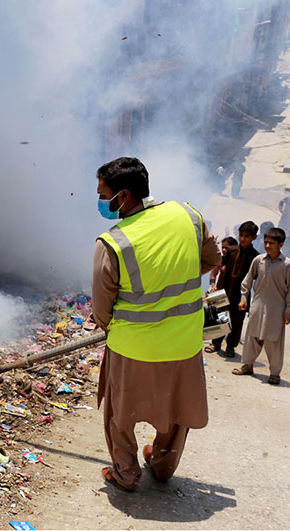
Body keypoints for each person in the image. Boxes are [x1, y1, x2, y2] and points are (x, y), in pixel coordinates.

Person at [92, 157, 220, 492]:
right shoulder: (189, 216)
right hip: (184, 343)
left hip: (131, 347)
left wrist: (116, 324)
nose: (101, 202)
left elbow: (102, 309)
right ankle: (162, 466)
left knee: (119, 415)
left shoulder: (114, 242)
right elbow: (212, 259)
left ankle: (126, 474)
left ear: (124, 195)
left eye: (103, 194)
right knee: (177, 409)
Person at [232, 227, 290, 385]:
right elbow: (246, 282)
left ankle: (274, 373)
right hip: (258, 305)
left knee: (274, 341)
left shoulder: (288, 265)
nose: (267, 246)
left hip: (277, 309)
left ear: (280, 245)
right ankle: (247, 365)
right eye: (266, 242)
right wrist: (243, 298)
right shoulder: (258, 260)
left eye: (271, 243)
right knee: (252, 336)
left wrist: (289, 310)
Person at [205, 221, 259, 357]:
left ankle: (230, 346)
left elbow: (254, 277)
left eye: (247, 236)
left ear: (254, 237)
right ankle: (215, 343)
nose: (243, 239)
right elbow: (221, 269)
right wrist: (216, 288)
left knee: (237, 319)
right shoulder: (231, 251)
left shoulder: (255, 257)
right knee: (218, 315)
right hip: (224, 288)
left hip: (240, 293)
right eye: (241, 235)